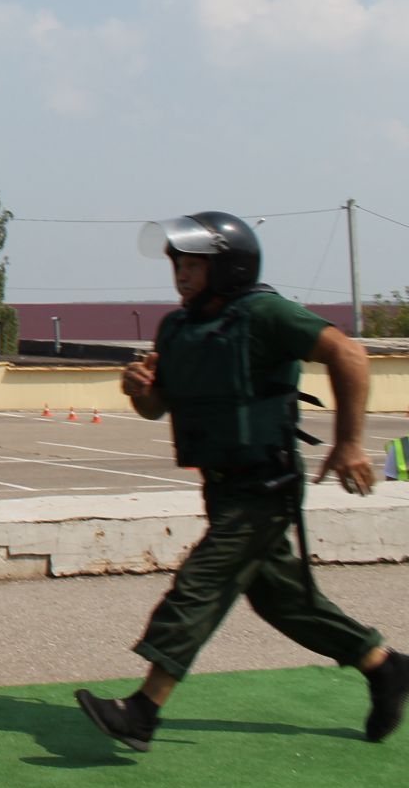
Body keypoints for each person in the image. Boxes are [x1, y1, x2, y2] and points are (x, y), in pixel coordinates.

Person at [76, 211, 408, 751]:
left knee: (200, 585)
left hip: (266, 485)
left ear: (228, 267)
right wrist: (137, 387)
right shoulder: (178, 327)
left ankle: (142, 711)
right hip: (221, 485)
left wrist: (349, 442)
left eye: (193, 264)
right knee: (284, 602)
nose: (181, 274)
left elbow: (348, 352)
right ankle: (385, 665)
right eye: (177, 264)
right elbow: (156, 407)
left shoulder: (265, 314)